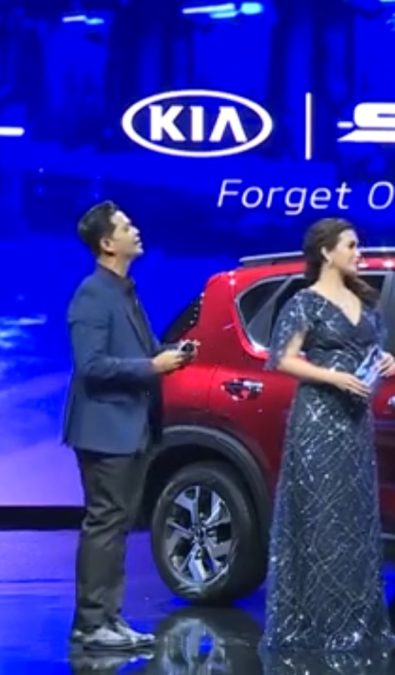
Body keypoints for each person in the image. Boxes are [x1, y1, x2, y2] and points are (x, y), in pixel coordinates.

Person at [259, 218, 395, 664]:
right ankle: (315, 621)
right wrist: (333, 377)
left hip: (356, 425)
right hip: (318, 422)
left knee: (354, 521)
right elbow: (282, 359)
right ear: (326, 251)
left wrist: (386, 361)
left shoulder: (366, 301)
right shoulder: (305, 303)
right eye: (352, 245)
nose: (360, 253)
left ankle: (354, 620)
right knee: (320, 518)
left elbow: (372, 352)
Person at [63, 201, 192, 651]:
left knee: (117, 527)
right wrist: (152, 366)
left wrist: (172, 356)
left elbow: (141, 351)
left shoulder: (124, 291)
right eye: (126, 227)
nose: (135, 230)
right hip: (105, 430)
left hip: (131, 428)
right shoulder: (93, 294)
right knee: (104, 525)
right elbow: (91, 366)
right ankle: (90, 624)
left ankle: (109, 619)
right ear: (106, 243)